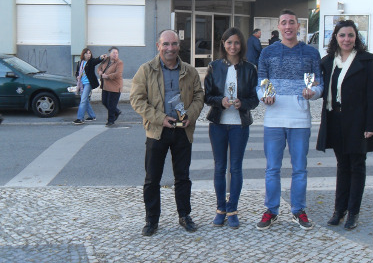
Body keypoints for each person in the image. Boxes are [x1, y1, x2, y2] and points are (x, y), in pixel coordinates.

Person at [130, 30, 204, 236]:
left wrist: (191, 114)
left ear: (179, 46)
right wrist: (159, 118)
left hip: (183, 130)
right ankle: (151, 220)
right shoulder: (145, 70)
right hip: (157, 131)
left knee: (183, 177)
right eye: (166, 44)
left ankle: (184, 215)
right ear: (158, 45)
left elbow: (199, 96)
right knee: (152, 179)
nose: (170, 48)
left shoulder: (190, 71)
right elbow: (137, 99)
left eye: (174, 44)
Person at [255, 9, 323, 231]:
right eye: (283, 23)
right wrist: (264, 95)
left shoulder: (311, 53)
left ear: (298, 26)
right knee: (272, 169)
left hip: (300, 119)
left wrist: (313, 92)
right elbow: (262, 82)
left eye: (291, 22)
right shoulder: (268, 53)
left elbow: (318, 84)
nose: (288, 26)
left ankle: (298, 210)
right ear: (279, 26)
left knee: (300, 169)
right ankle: (271, 211)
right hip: (274, 118)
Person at [316, 20, 373, 230]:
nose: (346, 39)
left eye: (350, 35)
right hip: (335, 118)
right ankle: (338, 210)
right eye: (342, 35)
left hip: (358, 122)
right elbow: (319, 87)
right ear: (335, 37)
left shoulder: (367, 61)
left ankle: (353, 212)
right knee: (342, 166)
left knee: (357, 167)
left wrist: (371, 125)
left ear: (356, 38)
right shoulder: (327, 62)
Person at [204, 27, 259, 229]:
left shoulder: (250, 68)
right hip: (218, 124)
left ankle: (233, 209)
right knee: (220, 168)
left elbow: (255, 100)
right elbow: (207, 96)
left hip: (239, 125)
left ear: (241, 45)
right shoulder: (214, 67)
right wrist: (221, 101)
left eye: (236, 42)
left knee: (235, 168)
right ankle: (220, 209)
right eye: (229, 42)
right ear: (223, 44)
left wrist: (242, 103)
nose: (232, 46)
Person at [72, 48, 106, 125]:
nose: (88, 55)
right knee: (85, 100)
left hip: (88, 83)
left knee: (83, 100)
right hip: (81, 84)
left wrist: (101, 57)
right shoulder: (80, 63)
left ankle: (80, 118)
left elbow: (96, 60)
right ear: (83, 54)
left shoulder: (90, 62)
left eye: (89, 53)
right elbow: (77, 72)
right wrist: (77, 76)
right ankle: (92, 116)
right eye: (87, 53)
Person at [97, 46, 123, 127]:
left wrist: (107, 76)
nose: (115, 55)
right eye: (113, 53)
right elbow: (99, 68)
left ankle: (110, 120)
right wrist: (100, 72)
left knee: (111, 104)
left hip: (115, 86)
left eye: (117, 53)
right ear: (110, 53)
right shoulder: (106, 60)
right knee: (104, 102)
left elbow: (118, 74)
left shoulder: (119, 63)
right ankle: (116, 111)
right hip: (105, 86)